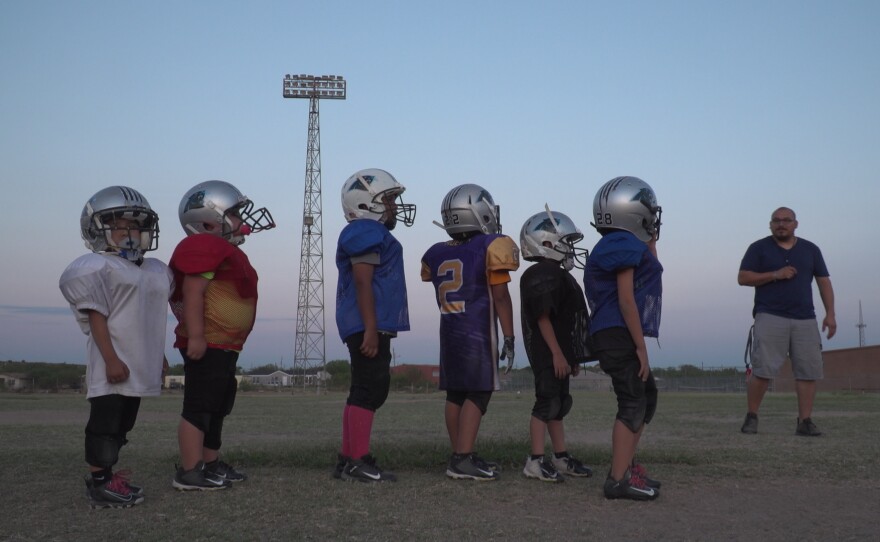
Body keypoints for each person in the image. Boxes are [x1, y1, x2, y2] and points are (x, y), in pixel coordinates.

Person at [59, 186, 173, 508]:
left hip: (138, 361)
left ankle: (107, 477)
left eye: (135, 226)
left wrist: (158, 354)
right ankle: (99, 484)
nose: (130, 232)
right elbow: (98, 317)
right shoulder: (97, 267)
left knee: (124, 424)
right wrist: (110, 359)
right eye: (120, 226)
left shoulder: (154, 270)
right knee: (105, 424)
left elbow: (147, 321)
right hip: (113, 361)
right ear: (98, 229)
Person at [169, 180, 275, 490]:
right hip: (208, 341)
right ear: (207, 222)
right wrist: (198, 335)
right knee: (200, 405)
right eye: (235, 214)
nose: (242, 221)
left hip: (225, 344)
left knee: (218, 405)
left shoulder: (222, 249)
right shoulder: (202, 245)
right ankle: (189, 471)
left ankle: (210, 463)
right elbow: (192, 291)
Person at [421, 183, 519, 481]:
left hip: (449, 329)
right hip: (477, 331)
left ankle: (460, 454)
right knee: (479, 391)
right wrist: (510, 336)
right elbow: (500, 296)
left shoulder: (436, 253)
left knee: (456, 394)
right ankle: (462, 459)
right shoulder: (490, 246)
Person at [333, 168, 416, 483]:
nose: (394, 206)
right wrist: (370, 327)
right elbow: (363, 281)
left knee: (362, 390)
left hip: (368, 321)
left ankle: (348, 458)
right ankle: (358, 460)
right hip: (366, 322)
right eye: (389, 199)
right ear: (367, 203)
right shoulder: (364, 231)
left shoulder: (370, 232)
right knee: (370, 389)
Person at [583, 176, 663, 501]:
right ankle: (618, 479)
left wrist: (652, 238)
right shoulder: (620, 244)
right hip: (617, 333)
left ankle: (627, 467)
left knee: (646, 397)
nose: (653, 218)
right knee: (632, 400)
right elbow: (627, 299)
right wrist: (641, 348)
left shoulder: (622, 242)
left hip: (615, 332)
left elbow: (654, 268)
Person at [738, 207, 836, 437]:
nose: (781, 224)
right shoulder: (758, 248)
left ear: (796, 224)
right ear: (770, 224)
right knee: (762, 369)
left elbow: (823, 282)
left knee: (808, 371)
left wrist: (830, 313)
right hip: (770, 315)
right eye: (776, 221)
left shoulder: (811, 250)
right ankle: (752, 416)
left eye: (786, 220)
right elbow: (743, 278)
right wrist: (774, 274)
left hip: (805, 318)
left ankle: (805, 421)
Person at [518, 207, 595, 483]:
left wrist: (571, 356)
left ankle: (560, 457)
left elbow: (564, 321)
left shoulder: (556, 273)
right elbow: (543, 318)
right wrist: (557, 354)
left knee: (559, 405)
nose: (570, 248)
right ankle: (535, 461)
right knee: (545, 403)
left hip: (558, 353)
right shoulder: (542, 274)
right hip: (548, 352)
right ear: (547, 243)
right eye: (566, 241)